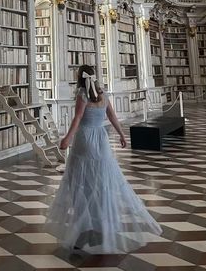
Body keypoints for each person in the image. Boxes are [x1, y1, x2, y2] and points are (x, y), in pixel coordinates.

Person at [46, 65, 162, 253]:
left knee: (80, 182)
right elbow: (113, 117)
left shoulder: (82, 94)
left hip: (85, 139)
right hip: (101, 139)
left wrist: (67, 138)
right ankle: (101, 224)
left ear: (80, 78)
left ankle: (83, 226)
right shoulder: (103, 94)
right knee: (101, 182)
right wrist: (122, 135)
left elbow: (77, 118)